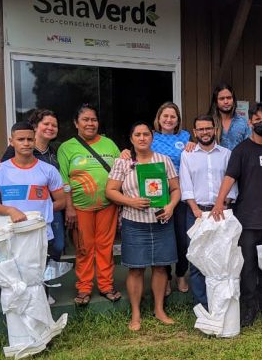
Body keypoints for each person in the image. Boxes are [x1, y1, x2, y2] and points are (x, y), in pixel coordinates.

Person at [212, 102, 262, 327]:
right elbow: (229, 177)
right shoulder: (241, 150)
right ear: (250, 122)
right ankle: (248, 308)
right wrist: (218, 203)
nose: (261, 122)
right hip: (245, 218)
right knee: (248, 267)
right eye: (257, 119)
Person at [106, 121, 180, 331]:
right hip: (134, 223)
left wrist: (171, 206)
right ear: (131, 139)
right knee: (136, 269)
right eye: (137, 134)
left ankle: (159, 309)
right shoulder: (123, 163)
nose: (142, 138)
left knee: (160, 267)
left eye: (146, 134)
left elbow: (175, 189)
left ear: (152, 137)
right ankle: (136, 314)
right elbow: (110, 191)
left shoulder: (163, 160)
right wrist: (131, 201)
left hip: (161, 221)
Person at [57, 104, 121, 306]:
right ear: (76, 123)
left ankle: (106, 286)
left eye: (93, 119)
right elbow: (64, 180)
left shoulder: (109, 144)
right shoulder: (66, 148)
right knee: (84, 248)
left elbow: (121, 171)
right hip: (79, 208)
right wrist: (69, 207)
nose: (90, 123)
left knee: (105, 247)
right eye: (85, 119)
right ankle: (84, 288)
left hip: (108, 205)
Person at [179, 114, 237, 308]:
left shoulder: (226, 154)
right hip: (196, 214)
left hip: (222, 213)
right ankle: (202, 306)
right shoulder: (187, 155)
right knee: (197, 261)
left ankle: (220, 303)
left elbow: (233, 184)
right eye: (200, 129)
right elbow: (185, 184)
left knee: (221, 259)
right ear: (195, 132)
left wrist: (224, 204)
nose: (205, 132)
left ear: (215, 130)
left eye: (208, 128)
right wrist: (195, 209)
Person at [0, 109, 66, 262]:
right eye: (46, 124)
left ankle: (46, 281)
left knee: (54, 248)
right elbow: (4, 176)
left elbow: (60, 197)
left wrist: (42, 209)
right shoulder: (9, 157)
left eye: (54, 125)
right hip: (17, 217)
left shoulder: (53, 152)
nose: (50, 127)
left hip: (45, 210)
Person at [151, 102, 191, 295]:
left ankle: (181, 273)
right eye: (165, 116)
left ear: (177, 120)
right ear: (159, 119)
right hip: (158, 197)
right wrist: (126, 152)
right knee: (164, 239)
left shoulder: (185, 137)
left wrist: (193, 144)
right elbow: (137, 155)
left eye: (172, 116)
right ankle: (165, 276)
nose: (168, 120)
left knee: (183, 239)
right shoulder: (150, 137)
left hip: (181, 196)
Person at [209, 83, 250, 150]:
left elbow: (249, 148)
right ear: (216, 102)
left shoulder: (243, 123)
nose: (226, 101)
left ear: (233, 100)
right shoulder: (209, 122)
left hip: (238, 160)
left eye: (229, 98)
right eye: (222, 99)